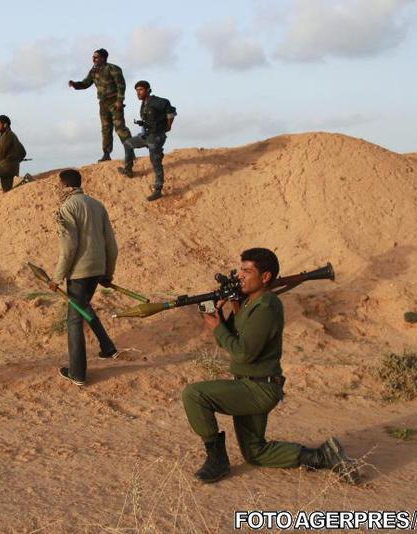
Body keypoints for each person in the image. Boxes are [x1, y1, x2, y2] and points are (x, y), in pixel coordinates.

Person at [181, 248, 360, 484]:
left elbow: (243, 354)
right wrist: (215, 313)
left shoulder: (266, 306)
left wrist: (217, 326)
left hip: (259, 389)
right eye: (241, 269)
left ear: (265, 277)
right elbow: (229, 339)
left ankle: (217, 459)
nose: (240, 276)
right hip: (248, 384)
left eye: (247, 270)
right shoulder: (248, 304)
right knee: (255, 452)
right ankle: (322, 456)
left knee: (194, 394)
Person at [48, 169, 119, 386]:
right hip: (97, 269)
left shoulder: (68, 207)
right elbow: (111, 245)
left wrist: (57, 278)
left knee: (74, 319)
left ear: (66, 186)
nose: (58, 189)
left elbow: (69, 248)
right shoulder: (97, 205)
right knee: (84, 307)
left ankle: (77, 373)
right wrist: (107, 273)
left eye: (59, 185)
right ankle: (107, 347)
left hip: (79, 272)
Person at [69, 48, 132, 162]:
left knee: (120, 128)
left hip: (114, 101)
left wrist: (120, 101)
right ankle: (106, 154)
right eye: (93, 57)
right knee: (106, 129)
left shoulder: (113, 68)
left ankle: (130, 152)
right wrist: (75, 84)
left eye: (96, 57)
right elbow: (86, 83)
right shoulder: (94, 71)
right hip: (103, 103)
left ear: (103, 58)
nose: (93, 59)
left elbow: (121, 85)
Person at [119, 81, 177, 202]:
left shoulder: (158, 101)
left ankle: (158, 189)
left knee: (155, 161)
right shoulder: (144, 104)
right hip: (146, 135)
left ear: (148, 90)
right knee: (128, 144)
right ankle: (128, 169)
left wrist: (168, 126)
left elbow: (171, 111)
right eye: (136, 91)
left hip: (156, 136)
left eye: (140, 90)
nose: (138, 93)